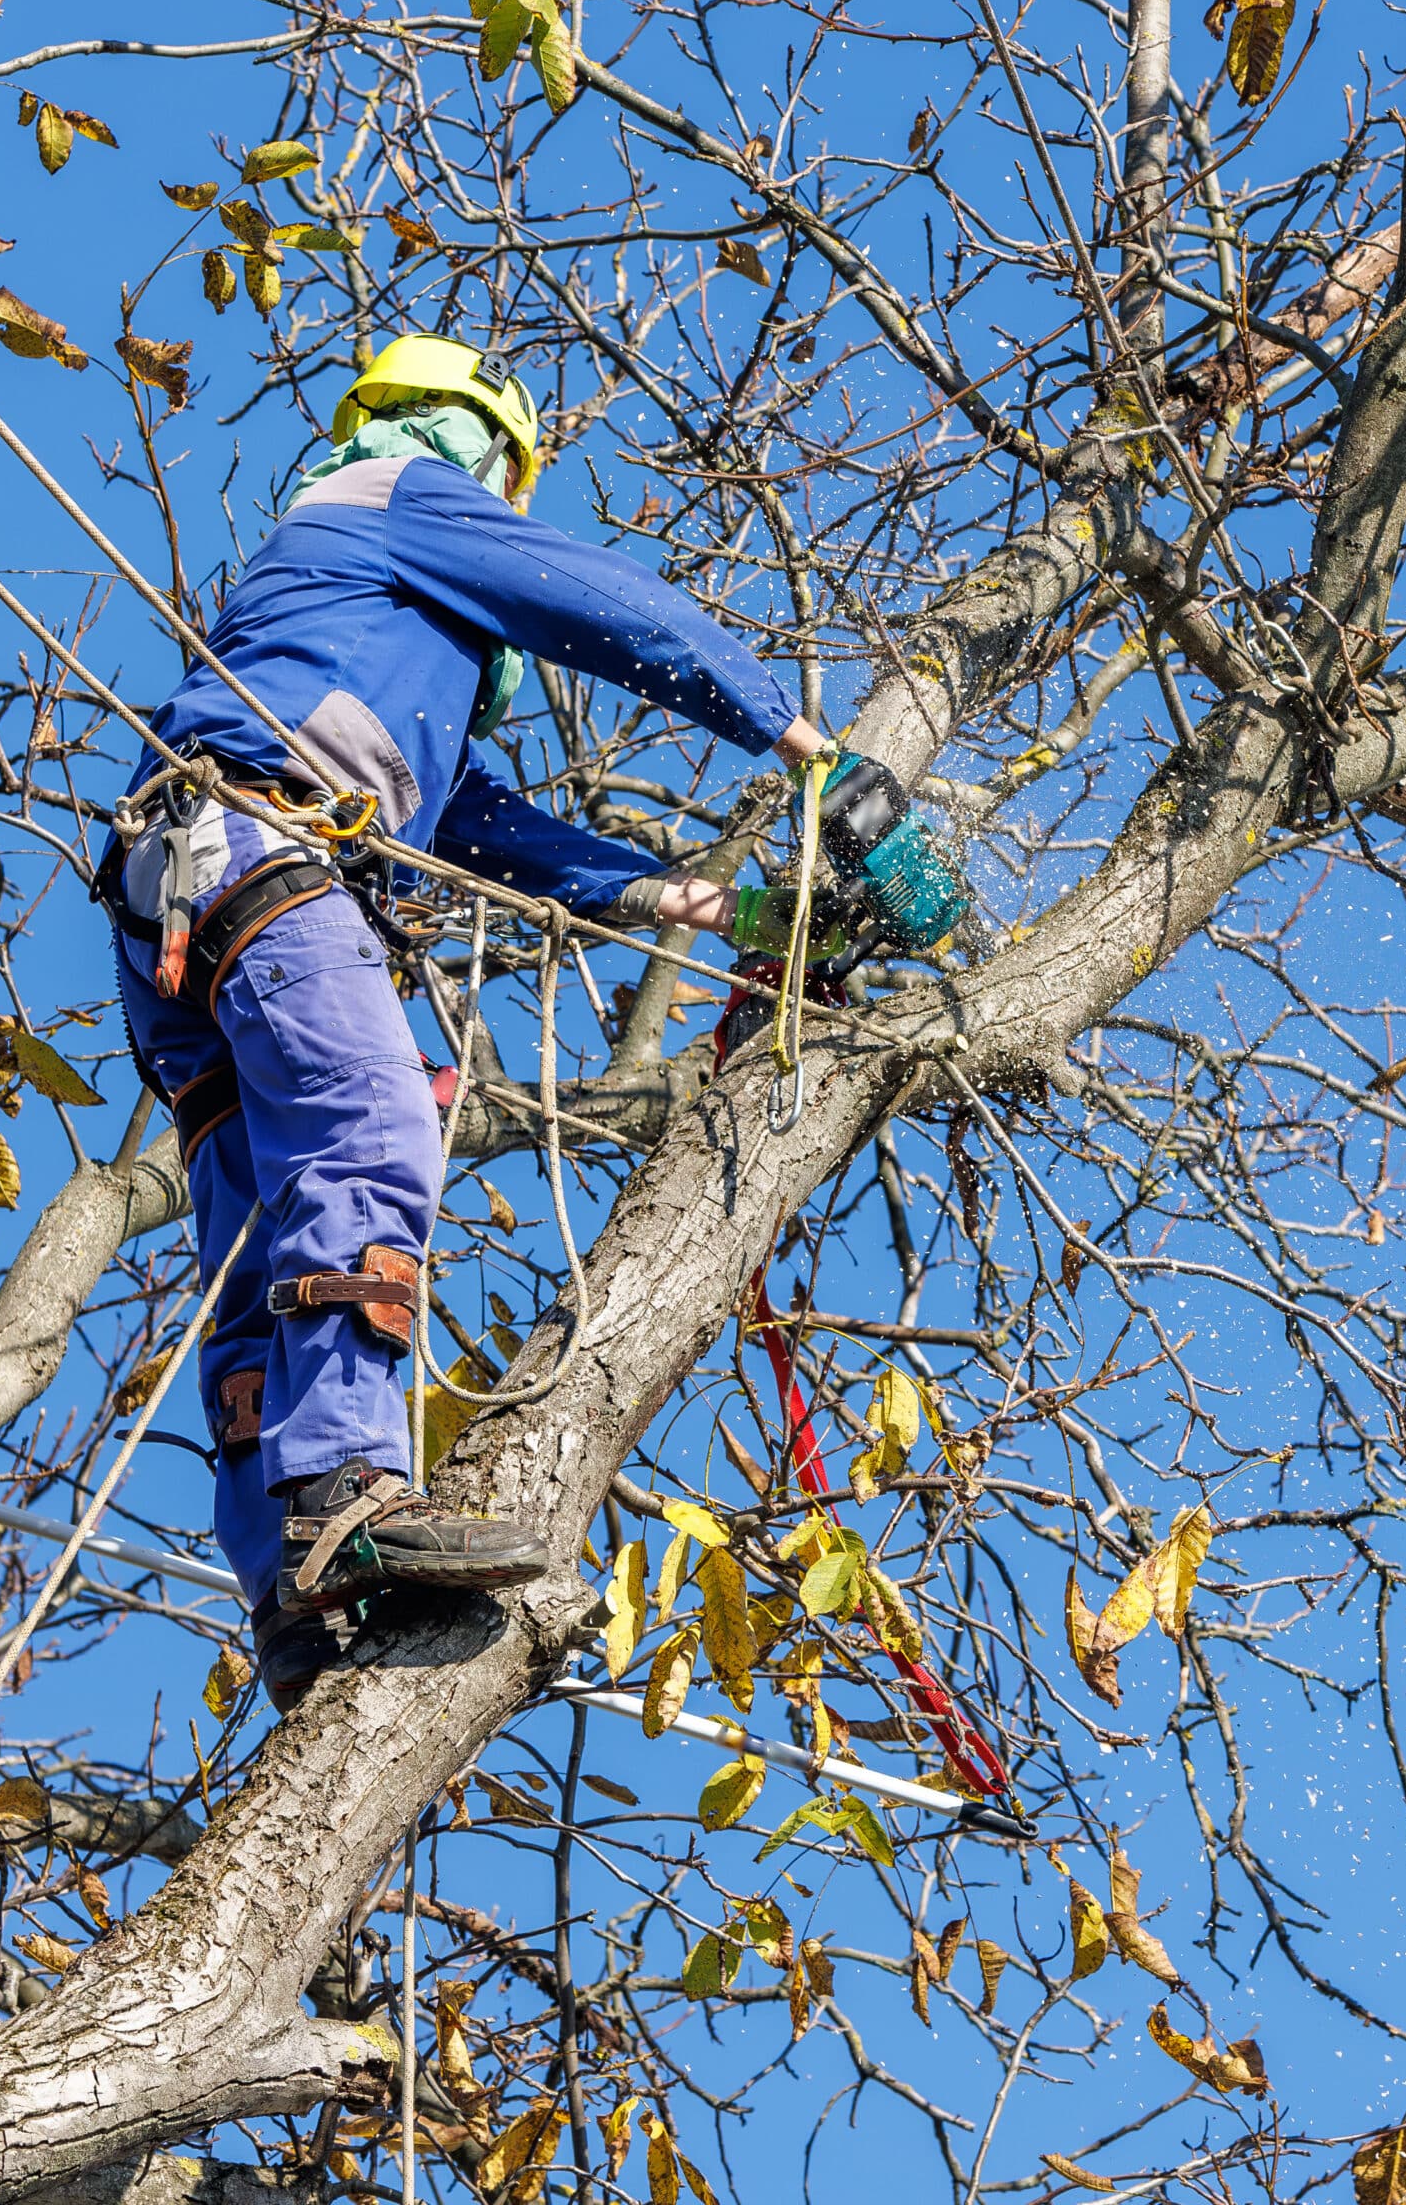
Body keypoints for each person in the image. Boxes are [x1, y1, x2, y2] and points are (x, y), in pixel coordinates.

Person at [98, 334, 961, 1706]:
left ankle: (288, 1592)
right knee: (375, 1125)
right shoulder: (398, 495)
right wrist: (805, 744)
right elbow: (598, 600)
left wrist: (696, 904)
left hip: (187, 903)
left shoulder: (366, 630)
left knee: (267, 1234)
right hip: (260, 850)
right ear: (473, 445)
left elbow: (485, 826)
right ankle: (341, 1493)